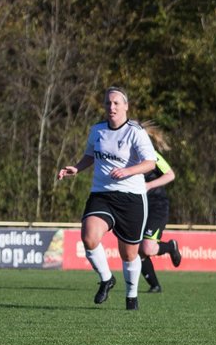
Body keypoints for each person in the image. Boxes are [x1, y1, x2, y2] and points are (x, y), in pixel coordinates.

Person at [56, 87, 158, 310]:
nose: (111, 107)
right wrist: (77, 168)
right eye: (107, 103)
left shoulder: (136, 132)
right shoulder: (97, 130)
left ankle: (131, 297)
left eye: (116, 103)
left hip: (131, 198)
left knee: (129, 253)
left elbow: (151, 163)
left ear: (125, 106)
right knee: (89, 237)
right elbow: (90, 156)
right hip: (102, 194)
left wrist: (128, 171)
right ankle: (106, 279)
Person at [138, 124, 183, 293]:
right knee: (136, 249)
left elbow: (171, 175)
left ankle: (170, 247)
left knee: (147, 248)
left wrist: (149, 185)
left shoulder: (153, 156)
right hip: (137, 207)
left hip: (156, 205)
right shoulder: (126, 158)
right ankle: (154, 285)